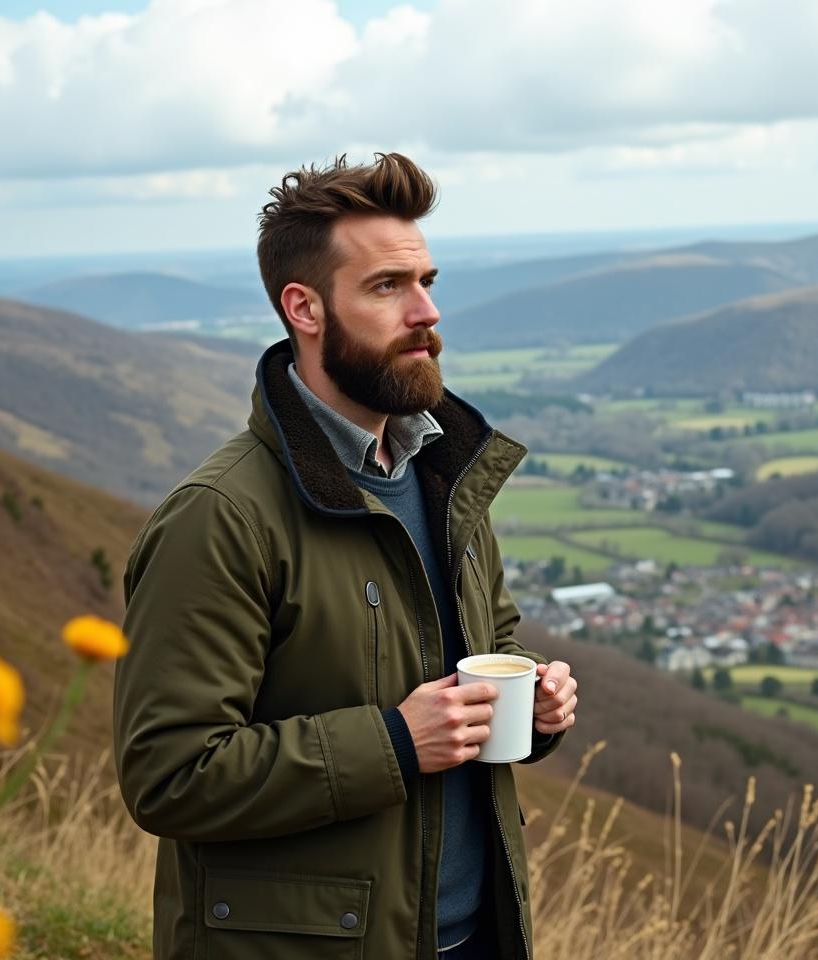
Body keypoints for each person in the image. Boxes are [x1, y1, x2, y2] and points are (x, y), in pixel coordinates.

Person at [112, 152, 579, 960]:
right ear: (306, 308)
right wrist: (395, 742)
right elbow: (169, 775)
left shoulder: (445, 477)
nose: (426, 312)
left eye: (428, 281)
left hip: (471, 937)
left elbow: (484, 655)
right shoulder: (220, 518)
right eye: (387, 287)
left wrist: (532, 705)